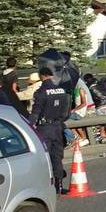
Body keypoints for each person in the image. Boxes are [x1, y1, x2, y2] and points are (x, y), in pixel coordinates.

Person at [30, 62, 73, 194]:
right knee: (57, 156)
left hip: (45, 129)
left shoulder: (41, 92)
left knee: (46, 158)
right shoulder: (61, 91)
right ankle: (59, 186)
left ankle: (47, 185)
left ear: (41, 76)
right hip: (58, 127)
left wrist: (30, 126)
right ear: (51, 76)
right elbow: (65, 113)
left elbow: (35, 113)